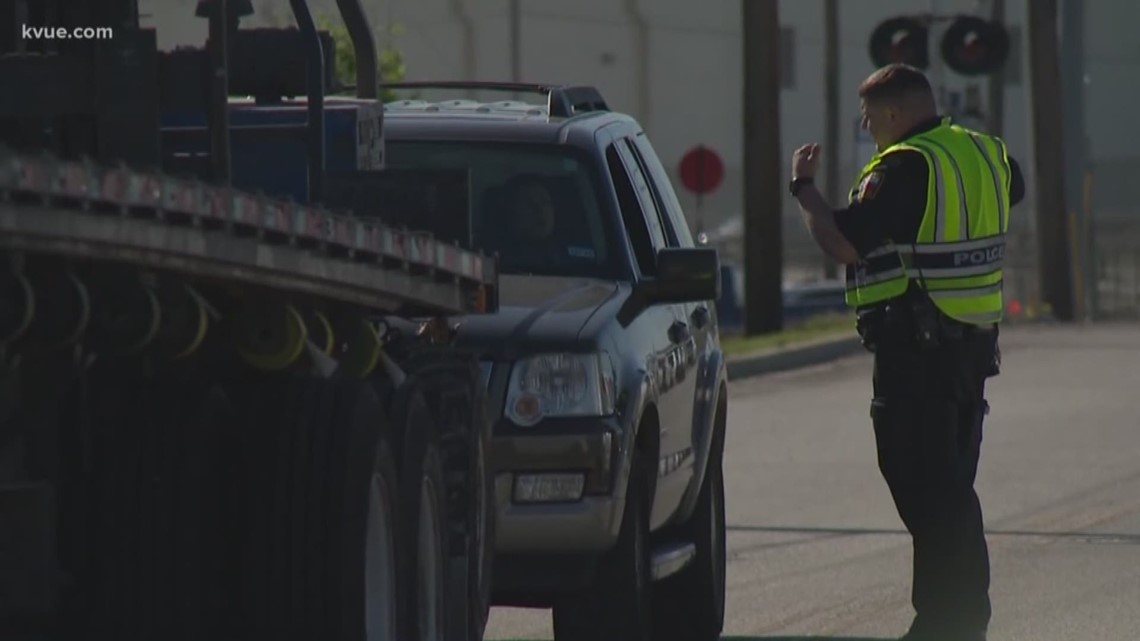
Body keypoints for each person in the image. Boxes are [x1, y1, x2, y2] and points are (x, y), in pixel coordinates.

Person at [787, 63, 1025, 641]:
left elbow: (844, 242)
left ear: (894, 113)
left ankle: (949, 622)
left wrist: (805, 190)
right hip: (972, 347)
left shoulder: (903, 167)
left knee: (923, 485)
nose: (867, 127)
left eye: (869, 117)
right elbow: (1008, 193)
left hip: (917, 350)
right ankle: (956, 619)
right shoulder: (986, 153)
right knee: (950, 486)